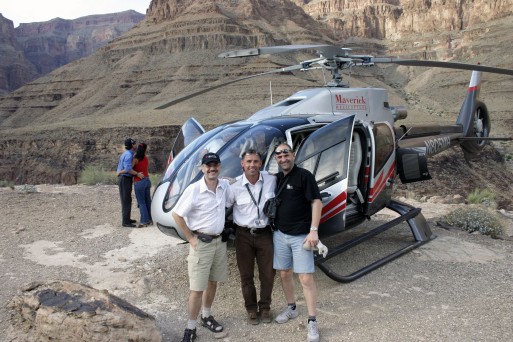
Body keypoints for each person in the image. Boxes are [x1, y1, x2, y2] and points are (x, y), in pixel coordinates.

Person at [172, 152, 231, 342]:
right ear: (202, 168)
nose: (212, 168)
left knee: (213, 282)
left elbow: (235, 182)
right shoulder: (194, 189)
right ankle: (190, 328)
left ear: (220, 166)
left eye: (215, 165)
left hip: (219, 243)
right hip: (201, 244)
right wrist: (190, 238)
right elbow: (177, 215)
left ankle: (206, 316)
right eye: (208, 165)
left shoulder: (223, 186)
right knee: (197, 288)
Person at [272, 142, 322, 342]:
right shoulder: (275, 179)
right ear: (276, 159)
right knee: (284, 273)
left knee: (305, 278)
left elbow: (316, 202)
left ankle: (312, 321)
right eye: (279, 155)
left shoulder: (305, 176)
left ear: (293, 155)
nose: (283, 158)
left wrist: (314, 230)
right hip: (280, 234)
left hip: (301, 235)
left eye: (286, 154)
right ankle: (292, 307)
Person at [227, 149, 276, 325]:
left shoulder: (271, 180)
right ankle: (250, 309)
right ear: (242, 164)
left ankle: (265, 308)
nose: (252, 165)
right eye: (248, 162)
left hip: (265, 233)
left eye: (255, 161)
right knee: (246, 275)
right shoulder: (234, 186)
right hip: (243, 235)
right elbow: (222, 206)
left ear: (261, 163)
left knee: (268, 274)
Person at [116, 138, 143, 228]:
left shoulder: (128, 154)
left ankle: (127, 218)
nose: (136, 145)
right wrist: (137, 174)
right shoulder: (128, 155)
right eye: (134, 143)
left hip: (125, 179)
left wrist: (120, 171)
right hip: (124, 179)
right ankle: (125, 222)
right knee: (126, 199)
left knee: (127, 199)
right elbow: (128, 169)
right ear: (132, 145)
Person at [133, 143, 152, 227]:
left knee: (141, 202)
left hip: (139, 181)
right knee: (148, 201)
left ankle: (144, 221)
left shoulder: (135, 159)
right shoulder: (146, 158)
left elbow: (129, 169)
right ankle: (150, 218)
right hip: (147, 180)